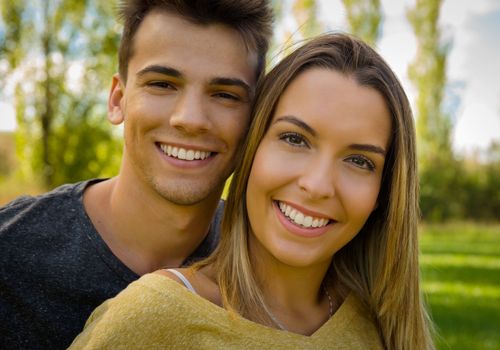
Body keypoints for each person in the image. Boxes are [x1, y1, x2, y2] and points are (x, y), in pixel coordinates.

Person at [69, 33, 435, 349]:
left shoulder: (375, 322)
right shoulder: (151, 318)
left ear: (383, 194)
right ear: (252, 147)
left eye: (359, 161)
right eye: (295, 139)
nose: (318, 185)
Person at [0, 1, 273, 349]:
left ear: (255, 120)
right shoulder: (10, 255)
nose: (190, 118)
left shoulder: (264, 265)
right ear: (117, 99)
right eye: (162, 84)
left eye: (224, 94)